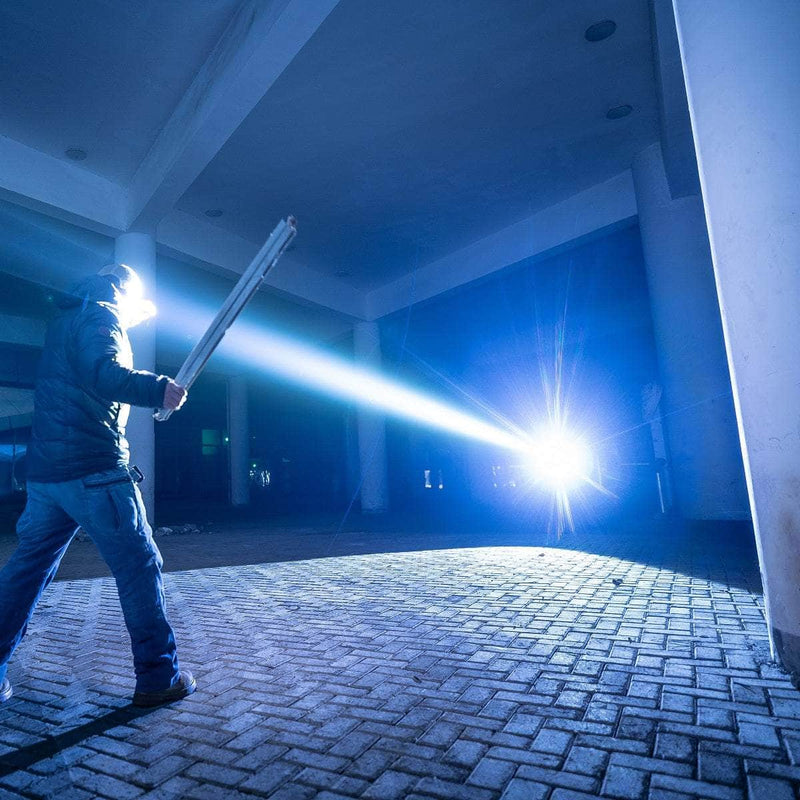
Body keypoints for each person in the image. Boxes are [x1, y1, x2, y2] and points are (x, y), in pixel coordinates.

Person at [0, 263, 194, 707]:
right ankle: (159, 677)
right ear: (123, 289)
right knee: (139, 567)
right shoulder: (101, 315)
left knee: (26, 572)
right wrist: (158, 388)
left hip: (48, 475)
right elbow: (103, 373)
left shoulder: (68, 317)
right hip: (94, 469)